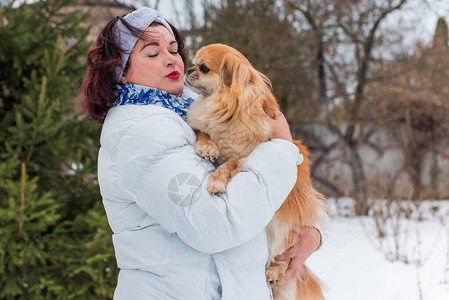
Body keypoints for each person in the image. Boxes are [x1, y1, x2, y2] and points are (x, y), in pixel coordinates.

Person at [82, 7, 321, 300]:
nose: (171, 58)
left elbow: (276, 198)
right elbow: (216, 226)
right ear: (119, 69)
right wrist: (281, 150)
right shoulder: (142, 133)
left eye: (173, 49)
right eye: (152, 53)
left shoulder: (193, 111)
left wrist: (311, 232)